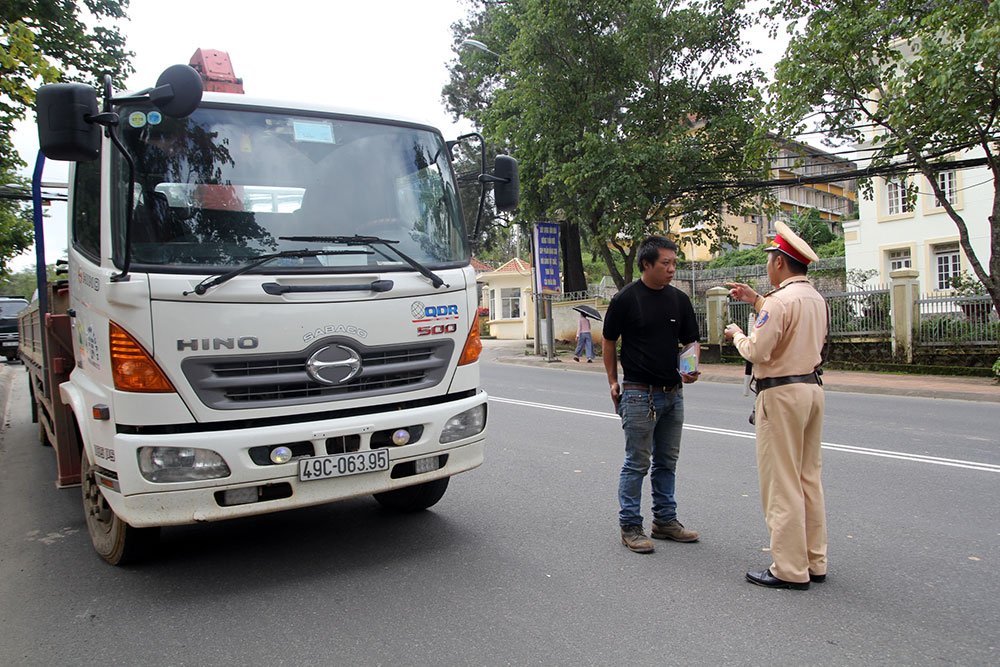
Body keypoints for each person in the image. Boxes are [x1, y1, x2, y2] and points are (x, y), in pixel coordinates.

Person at [724, 220, 828, 590]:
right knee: (807, 478)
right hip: (811, 389)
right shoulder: (814, 298)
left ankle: (788, 568)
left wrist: (738, 334)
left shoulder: (780, 302)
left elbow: (758, 350)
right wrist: (755, 300)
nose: (768, 266)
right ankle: (814, 561)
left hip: (781, 394)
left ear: (781, 263)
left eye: (770, 259)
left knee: (781, 483)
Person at [602, 236, 701, 553]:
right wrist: (612, 381)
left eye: (674, 263)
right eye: (665, 264)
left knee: (667, 462)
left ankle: (665, 521)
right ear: (647, 264)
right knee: (637, 463)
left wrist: (690, 365)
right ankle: (630, 526)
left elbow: (690, 340)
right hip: (638, 394)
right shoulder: (626, 299)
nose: (672, 269)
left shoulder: (678, 300)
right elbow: (608, 340)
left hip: (673, 393)